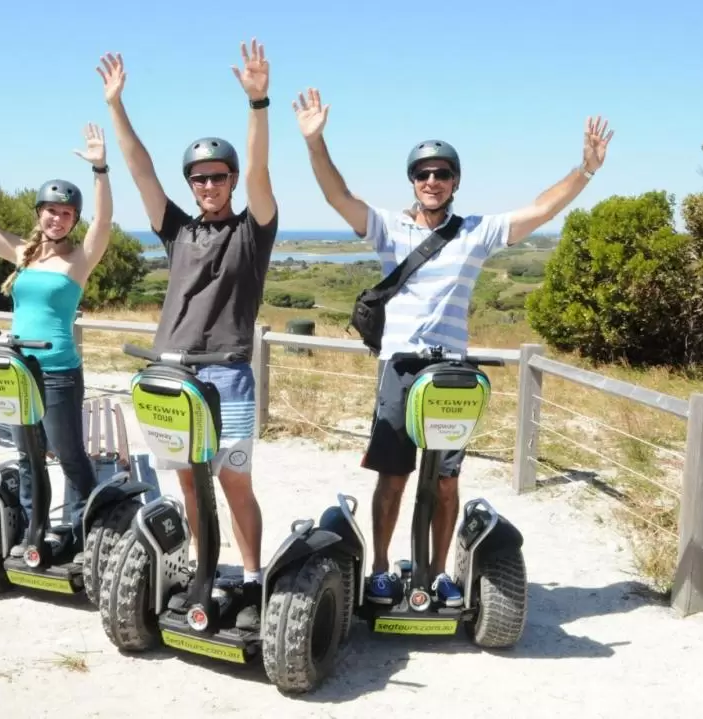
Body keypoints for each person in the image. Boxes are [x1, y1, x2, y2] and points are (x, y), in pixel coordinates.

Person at [292, 86, 614, 606]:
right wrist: (315, 142)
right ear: (413, 183)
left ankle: (440, 572)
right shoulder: (389, 228)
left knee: (445, 481)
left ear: (455, 181)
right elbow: (338, 196)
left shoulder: (475, 232)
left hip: (451, 373)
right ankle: (378, 568)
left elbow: (539, 209)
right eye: (423, 174)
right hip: (400, 367)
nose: (432, 181)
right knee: (393, 477)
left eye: (442, 173)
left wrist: (586, 170)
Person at [96, 40, 278, 631]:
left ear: (229, 181)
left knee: (233, 483)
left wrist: (258, 104)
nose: (208, 186)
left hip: (227, 374)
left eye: (217, 177)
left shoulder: (253, 234)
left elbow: (260, 172)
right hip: (173, 375)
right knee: (190, 486)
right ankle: (204, 571)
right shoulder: (177, 232)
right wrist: (117, 107)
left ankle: (250, 580)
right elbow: (140, 169)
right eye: (199, 178)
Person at [0, 123, 116, 559]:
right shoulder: (24, 253)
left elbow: (104, 221)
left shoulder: (79, 259)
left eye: (65, 213)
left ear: (73, 220)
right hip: (19, 369)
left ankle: (80, 536)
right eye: (49, 210)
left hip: (59, 369)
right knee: (27, 455)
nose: (56, 217)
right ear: (39, 213)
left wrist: (101, 168)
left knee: (69, 456)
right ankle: (32, 532)